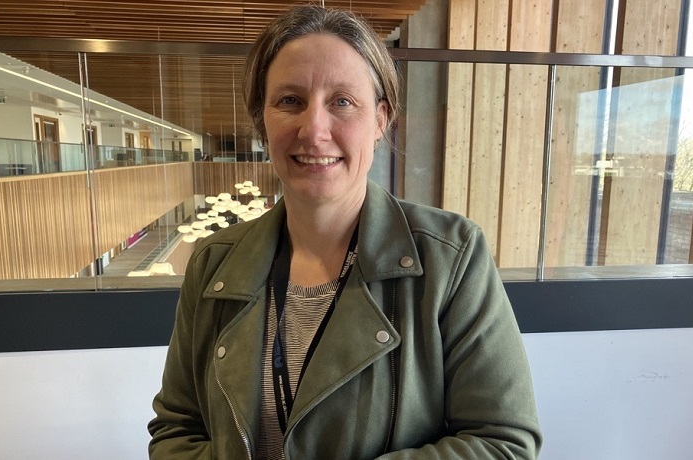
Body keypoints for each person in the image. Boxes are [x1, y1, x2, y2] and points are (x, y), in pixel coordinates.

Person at [148, 5, 542, 459]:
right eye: (290, 101)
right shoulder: (213, 263)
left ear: (380, 119)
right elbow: (177, 430)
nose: (314, 130)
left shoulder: (451, 258)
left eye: (342, 101)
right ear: (262, 120)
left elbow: (503, 443)